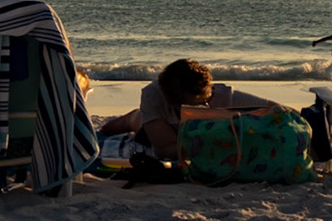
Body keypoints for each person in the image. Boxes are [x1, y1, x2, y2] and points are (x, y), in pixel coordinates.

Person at [98, 59, 278, 159]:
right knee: (130, 123)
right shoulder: (154, 96)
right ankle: (131, 117)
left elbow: (279, 111)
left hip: (189, 135)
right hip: (161, 126)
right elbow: (165, 150)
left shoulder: (222, 97)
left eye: (201, 103)